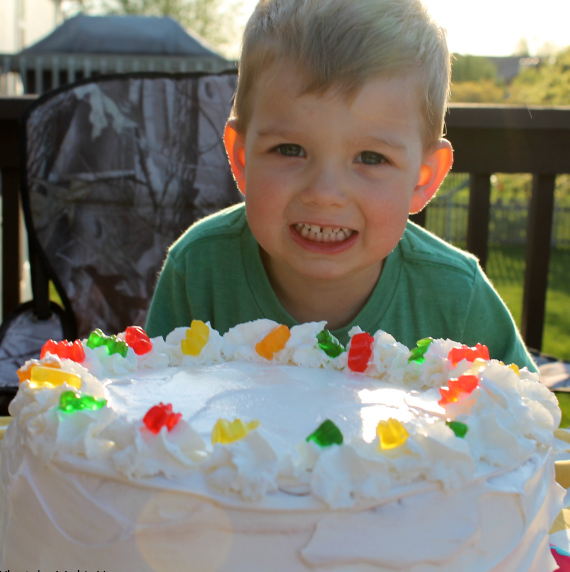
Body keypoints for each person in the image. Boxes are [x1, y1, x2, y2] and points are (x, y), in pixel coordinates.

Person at [146, 0, 536, 371]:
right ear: (243, 158)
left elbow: (524, 421)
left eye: (371, 158)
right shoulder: (197, 272)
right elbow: (150, 409)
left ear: (424, 178)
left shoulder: (457, 297)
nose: (325, 193)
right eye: (289, 149)